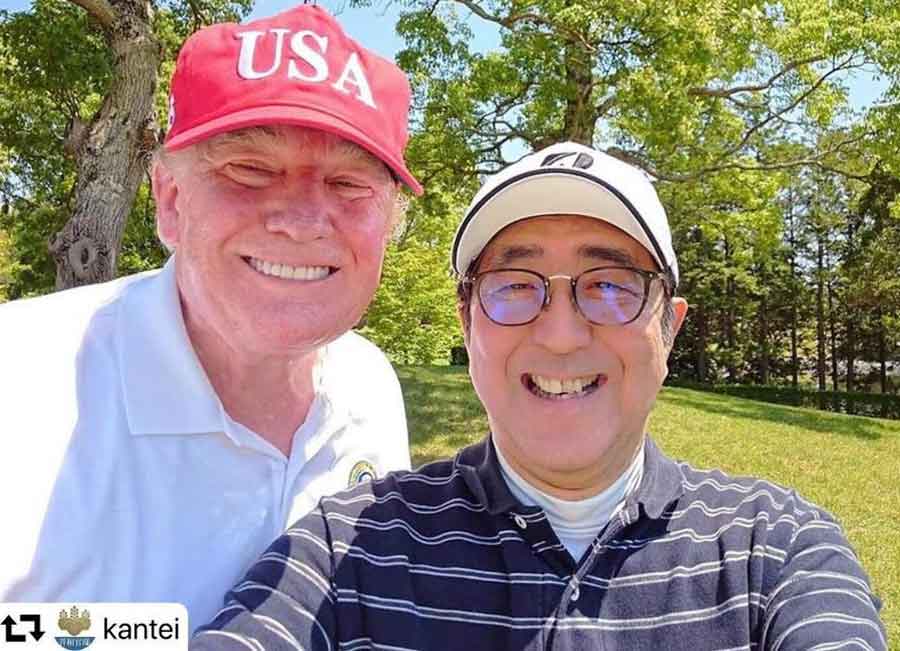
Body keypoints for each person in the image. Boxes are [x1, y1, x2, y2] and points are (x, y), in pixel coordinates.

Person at [195, 140, 887, 650]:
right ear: (467, 325)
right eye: (514, 287)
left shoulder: (777, 553)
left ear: (669, 328)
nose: (560, 335)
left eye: (610, 286)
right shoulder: (349, 550)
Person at [0, 4, 422, 631]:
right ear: (170, 200)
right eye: (251, 170)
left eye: (348, 183)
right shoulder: (18, 381)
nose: (302, 220)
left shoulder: (370, 385)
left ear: (388, 221)